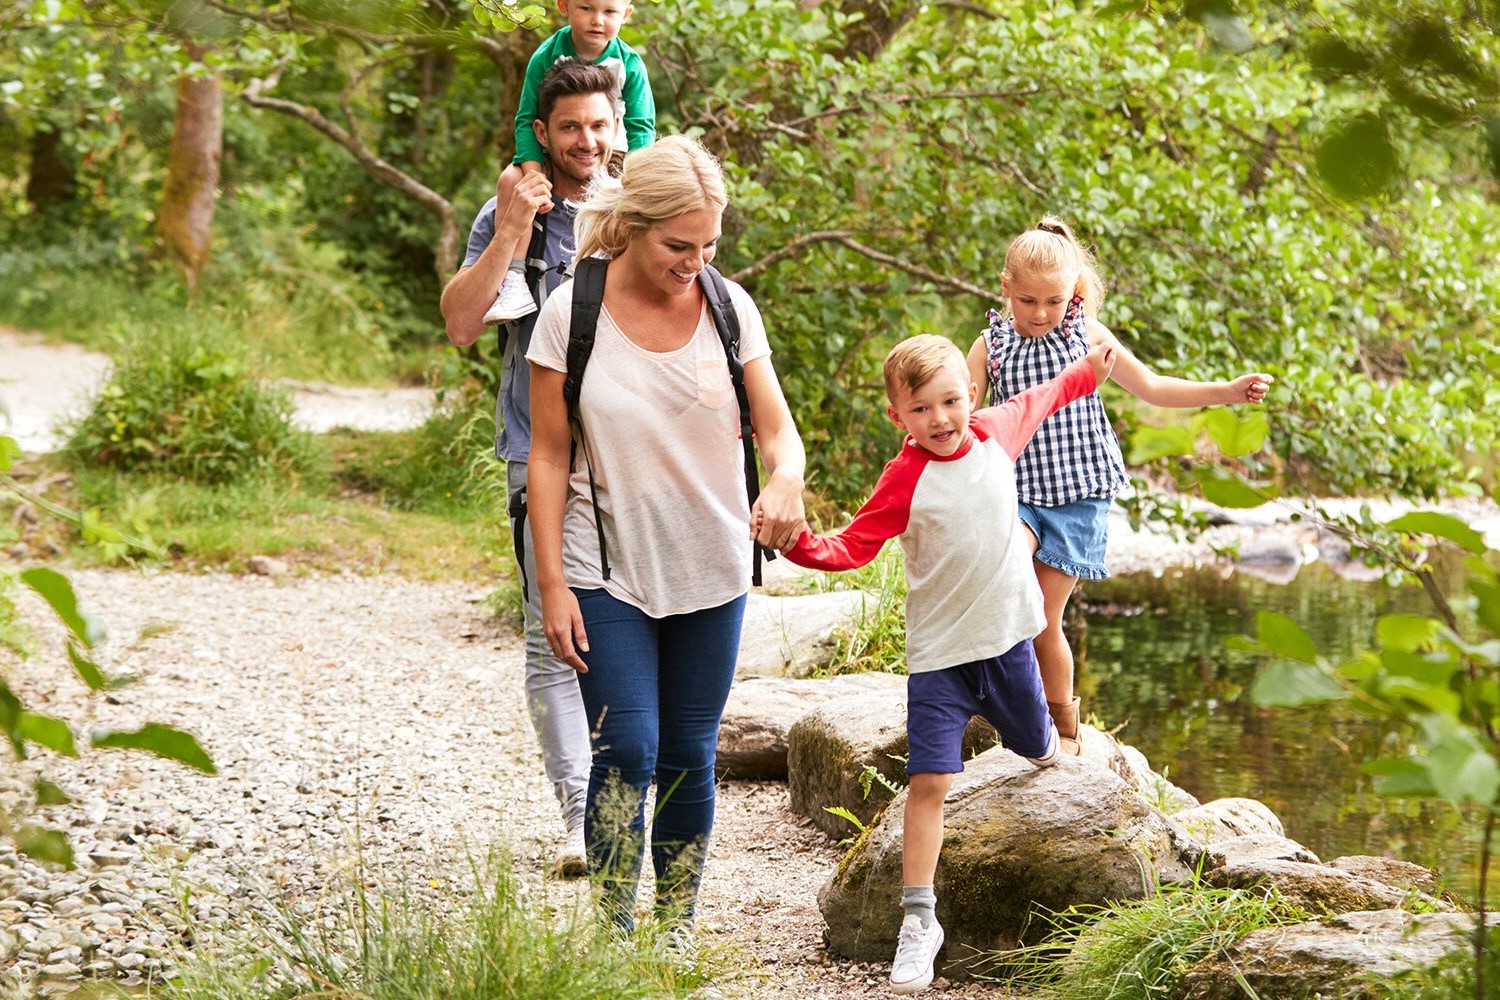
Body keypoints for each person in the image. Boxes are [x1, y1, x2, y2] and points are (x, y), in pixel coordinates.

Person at [526, 134, 807, 935]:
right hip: (603, 568)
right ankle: (615, 937)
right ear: (633, 226)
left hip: (711, 565)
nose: (695, 261)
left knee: (689, 753)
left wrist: (785, 478)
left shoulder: (728, 307)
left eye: (709, 244)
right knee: (629, 751)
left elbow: (778, 432)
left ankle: (675, 928)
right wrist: (551, 582)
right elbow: (548, 457)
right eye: (678, 245)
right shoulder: (570, 313)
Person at [778, 334, 1115, 994]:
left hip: (1008, 645)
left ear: (971, 393)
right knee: (930, 782)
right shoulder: (906, 477)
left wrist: (1086, 373)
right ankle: (918, 919)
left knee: (1036, 749)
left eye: (952, 401)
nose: (941, 419)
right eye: (922, 409)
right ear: (897, 415)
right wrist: (796, 546)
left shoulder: (996, 430)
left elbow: (1045, 397)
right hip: (940, 659)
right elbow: (851, 546)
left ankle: (1048, 738)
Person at [966, 215, 1273, 756]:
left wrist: (1227, 391)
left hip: (1078, 496)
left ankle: (1062, 728)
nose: (1040, 314)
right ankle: (1004, 704)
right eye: (1028, 300)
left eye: (1053, 301)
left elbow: (1152, 387)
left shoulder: (1088, 336)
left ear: (1074, 294)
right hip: (1017, 493)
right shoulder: (989, 345)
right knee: (1006, 591)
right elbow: (961, 413)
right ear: (1005, 288)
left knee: (1042, 617)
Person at [440, 59, 625, 878]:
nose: (587, 141)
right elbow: (460, 325)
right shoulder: (508, 212)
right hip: (535, 451)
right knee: (552, 639)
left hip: (632, 457)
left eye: (599, 126)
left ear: (618, 130)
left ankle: (633, 792)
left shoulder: (638, 211)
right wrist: (513, 229)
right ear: (543, 134)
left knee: (632, 626)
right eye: (571, 128)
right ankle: (581, 817)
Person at [485, 0, 656, 325]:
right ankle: (514, 280)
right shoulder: (546, 55)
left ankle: (620, 275)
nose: (597, 21)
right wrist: (533, 172)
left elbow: (642, 128)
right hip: (555, 152)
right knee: (512, 181)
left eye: (609, 12)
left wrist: (635, 176)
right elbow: (526, 118)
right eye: (586, 8)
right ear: (563, 6)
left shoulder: (630, 64)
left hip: (614, 156)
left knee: (641, 201)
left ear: (626, 15)